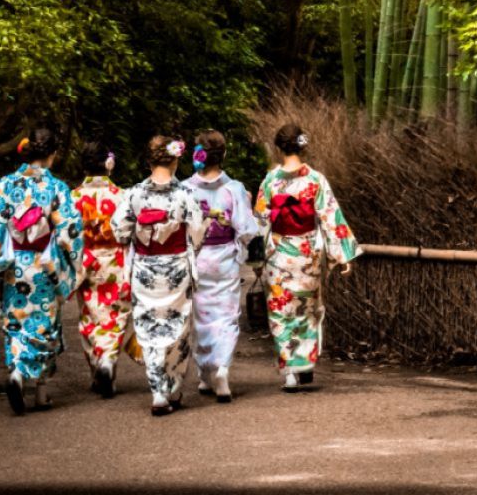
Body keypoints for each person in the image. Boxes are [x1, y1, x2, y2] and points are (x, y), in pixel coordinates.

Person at [0, 127, 83, 415]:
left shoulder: (5, 185)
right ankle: (40, 392)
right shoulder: (57, 188)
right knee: (44, 323)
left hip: (14, 264)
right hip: (44, 263)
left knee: (17, 319)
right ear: (52, 155)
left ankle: (17, 375)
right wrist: (69, 262)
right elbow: (70, 232)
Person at [254, 123, 361, 392]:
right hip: (307, 252)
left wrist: (256, 258)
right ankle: (305, 364)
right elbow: (330, 217)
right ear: (303, 146)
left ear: (278, 148)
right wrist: (342, 255)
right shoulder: (316, 180)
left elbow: (260, 221)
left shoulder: (270, 181)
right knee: (307, 310)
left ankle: (289, 371)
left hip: (278, 252)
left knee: (280, 310)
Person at [112, 136, 204, 416]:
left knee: (149, 327)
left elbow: (119, 231)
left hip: (145, 268)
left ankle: (158, 392)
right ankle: (174, 386)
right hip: (176, 267)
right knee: (179, 327)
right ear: (175, 160)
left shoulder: (133, 195)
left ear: (149, 161)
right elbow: (198, 231)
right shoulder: (185, 194)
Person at [182, 129, 260, 403]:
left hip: (198, 258)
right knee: (226, 316)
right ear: (223, 155)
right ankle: (222, 368)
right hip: (225, 257)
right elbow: (248, 229)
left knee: (201, 316)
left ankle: (206, 373)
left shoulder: (185, 188)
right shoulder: (234, 188)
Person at [71, 141, 139, 398]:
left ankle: (96, 365)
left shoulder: (73, 197)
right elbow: (130, 230)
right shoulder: (121, 196)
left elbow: (67, 233)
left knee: (89, 314)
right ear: (109, 164)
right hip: (115, 259)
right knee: (117, 313)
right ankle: (109, 359)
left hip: (85, 259)